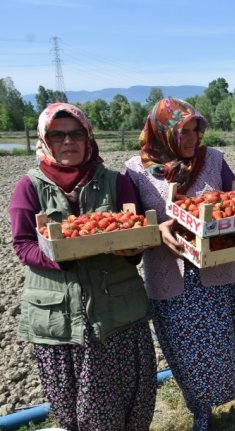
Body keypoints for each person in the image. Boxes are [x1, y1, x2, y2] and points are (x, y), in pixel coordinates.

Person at [124, 98, 235, 431]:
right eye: (183, 131)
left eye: (196, 130)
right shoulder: (135, 171)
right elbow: (130, 225)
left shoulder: (212, 160)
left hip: (220, 271)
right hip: (171, 279)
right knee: (189, 356)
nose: (192, 138)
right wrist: (157, 231)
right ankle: (202, 411)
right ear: (162, 131)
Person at [8, 103, 156, 430]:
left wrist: (132, 250)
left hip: (116, 315)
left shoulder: (116, 182)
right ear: (45, 140)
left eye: (76, 133)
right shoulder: (28, 188)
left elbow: (134, 235)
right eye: (57, 135)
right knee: (75, 412)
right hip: (60, 320)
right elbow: (23, 245)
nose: (67, 141)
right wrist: (60, 255)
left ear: (88, 138)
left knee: (133, 403)